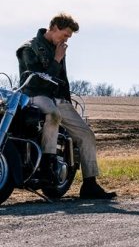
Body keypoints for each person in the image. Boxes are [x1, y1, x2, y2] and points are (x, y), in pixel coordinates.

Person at [16, 13, 116, 199]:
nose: (66, 39)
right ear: (53, 27)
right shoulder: (29, 48)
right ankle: (47, 164)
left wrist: (67, 101)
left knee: (86, 134)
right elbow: (37, 82)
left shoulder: (58, 48)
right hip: (36, 96)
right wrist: (56, 60)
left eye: (69, 37)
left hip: (58, 99)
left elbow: (62, 80)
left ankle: (90, 185)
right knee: (53, 115)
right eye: (64, 35)